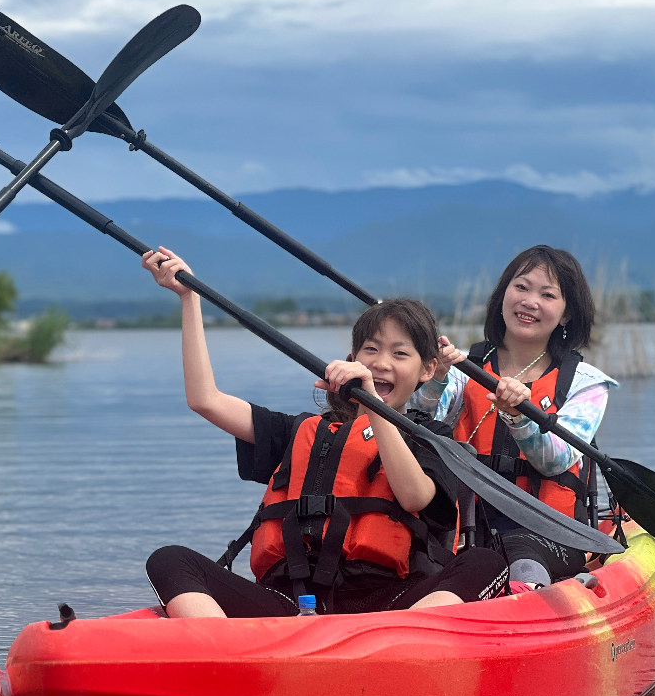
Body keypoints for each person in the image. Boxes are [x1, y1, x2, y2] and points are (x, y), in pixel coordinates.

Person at [140, 247, 507, 618]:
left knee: (485, 563)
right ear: (352, 360)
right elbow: (205, 400)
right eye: (371, 349)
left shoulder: (431, 436)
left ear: (427, 369)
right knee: (169, 560)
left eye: (400, 354)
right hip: (290, 604)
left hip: (388, 607)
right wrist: (189, 298)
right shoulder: (300, 430)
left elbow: (414, 497)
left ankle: (404, 639)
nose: (381, 363)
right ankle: (222, 644)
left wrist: (372, 405)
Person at [410, 245, 616, 586]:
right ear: (503, 294)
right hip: (466, 529)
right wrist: (435, 377)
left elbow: (556, 461)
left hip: (551, 532)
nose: (530, 301)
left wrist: (520, 419)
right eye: (521, 287)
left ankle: (532, 594)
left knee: (516, 547)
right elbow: (423, 425)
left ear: (566, 314)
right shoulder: (462, 370)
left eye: (547, 294)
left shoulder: (586, 383)